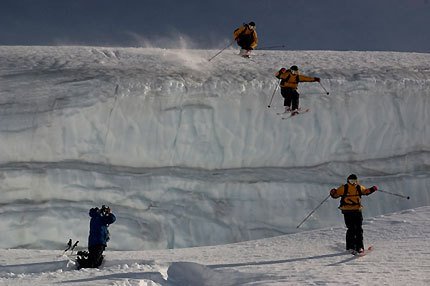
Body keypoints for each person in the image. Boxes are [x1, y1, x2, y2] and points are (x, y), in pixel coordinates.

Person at [329, 174, 378, 254]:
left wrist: (372, 189)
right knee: (351, 229)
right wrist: (333, 193)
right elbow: (335, 195)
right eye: (351, 181)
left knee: (359, 229)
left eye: (354, 181)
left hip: (357, 210)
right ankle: (350, 247)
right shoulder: (343, 188)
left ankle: (360, 247)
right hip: (347, 211)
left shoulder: (359, 187)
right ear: (348, 181)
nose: (353, 183)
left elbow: (365, 192)